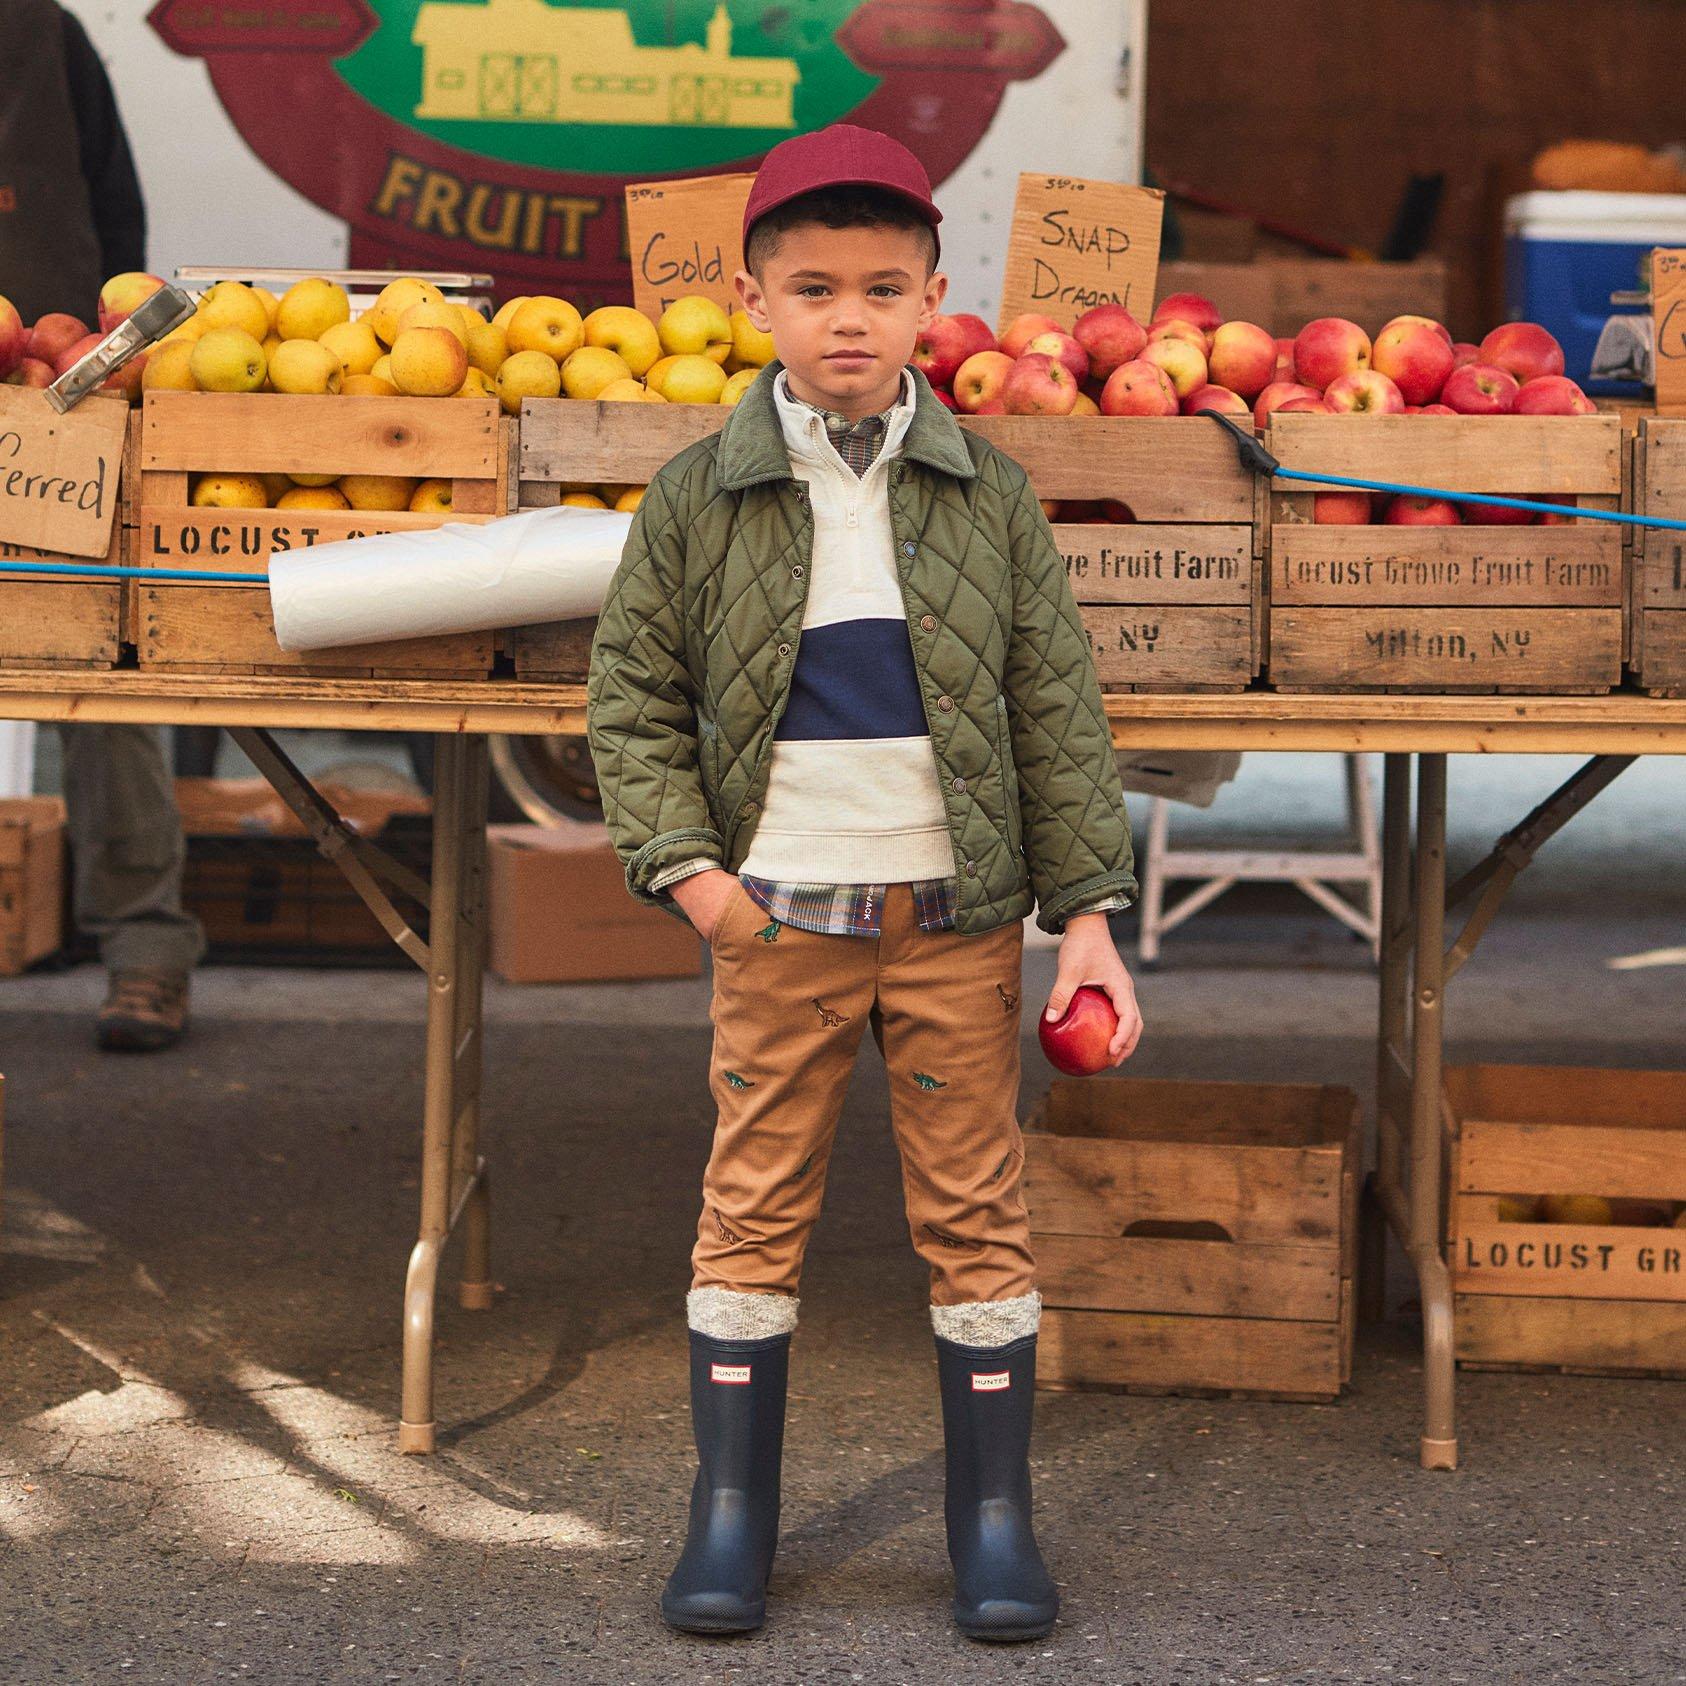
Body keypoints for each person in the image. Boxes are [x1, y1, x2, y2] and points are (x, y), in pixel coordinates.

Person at [587, 124, 1143, 1641]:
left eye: (882, 288)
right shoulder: (700, 495)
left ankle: (989, 1518)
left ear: (931, 303)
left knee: (976, 1208)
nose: (848, 315)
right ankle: (729, 1516)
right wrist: (698, 884)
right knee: (751, 1202)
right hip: (776, 919)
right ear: (754, 296)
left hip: (957, 921)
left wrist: (1085, 915)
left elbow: (1056, 710)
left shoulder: (987, 491)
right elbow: (628, 701)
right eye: (814, 285)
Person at [1, 0, 205, 1049]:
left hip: (50, 397)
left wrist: (83, 355)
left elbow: (113, 218)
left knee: (103, 661)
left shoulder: (44, 31)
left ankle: (144, 949)